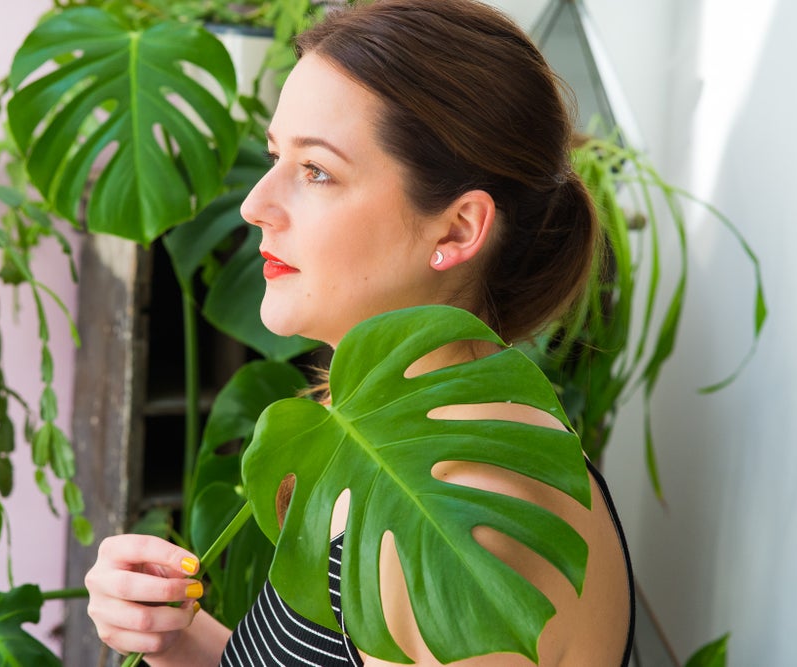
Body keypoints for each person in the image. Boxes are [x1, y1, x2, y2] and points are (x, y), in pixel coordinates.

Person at [84, 1, 635, 665]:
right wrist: (178, 638)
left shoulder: (467, 518)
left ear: (458, 228)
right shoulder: (379, 436)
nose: (255, 204)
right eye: (274, 156)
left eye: (316, 170)